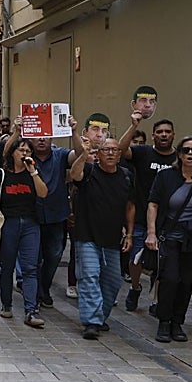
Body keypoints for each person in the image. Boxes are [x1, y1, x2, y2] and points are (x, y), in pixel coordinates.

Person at [144, 136, 192, 343]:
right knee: (170, 280)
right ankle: (164, 321)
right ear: (179, 154)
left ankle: (178, 322)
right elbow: (153, 204)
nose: (190, 154)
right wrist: (151, 233)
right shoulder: (166, 176)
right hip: (169, 238)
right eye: (186, 150)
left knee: (185, 283)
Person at [68, 138, 135, 339]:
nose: (111, 153)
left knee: (113, 282)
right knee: (90, 276)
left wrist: (130, 233)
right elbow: (74, 175)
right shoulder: (89, 172)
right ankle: (91, 321)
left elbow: (130, 206)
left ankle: (99, 317)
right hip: (87, 235)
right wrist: (82, 154)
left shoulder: (126, 176)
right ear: (98, 154)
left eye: (115, 150)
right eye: (106, 150)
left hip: (113, 239)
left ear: (120, 155)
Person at [0, 137, 48, 328]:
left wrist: (33, 172)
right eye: (21, 150)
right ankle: (6, 304)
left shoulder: (33, 173)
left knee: (30, 267)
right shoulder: (1, 175)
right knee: (7, 266)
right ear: (12, 153)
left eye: (28, 151)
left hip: (31, 224)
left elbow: (43, 193)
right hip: (8, 223)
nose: (25, 154)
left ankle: (31, 310)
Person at [119, 117, 177, 311]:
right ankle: (135, 287)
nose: (163, 135)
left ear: (173, 135)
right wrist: (134, 125)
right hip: (140, 215)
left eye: (167, 132)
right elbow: (121, 149)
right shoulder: (143, 153)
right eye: (159, 131)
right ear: (153, 135)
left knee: (163, 263)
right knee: (135, 258)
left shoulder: (178, 159)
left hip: (167, 221)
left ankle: (156, 300)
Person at [29, 122, 85, 308]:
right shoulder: (25, 157)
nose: (42, 139)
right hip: (32, 215)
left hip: (56, 215)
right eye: (38, 135)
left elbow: (78, 154)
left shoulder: (60, 155)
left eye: (46, 135)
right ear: (31, 138)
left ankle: (44, 287)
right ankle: (36, 293)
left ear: (52, 137)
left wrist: (74, 131)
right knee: (33, 258)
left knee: (54, 256)